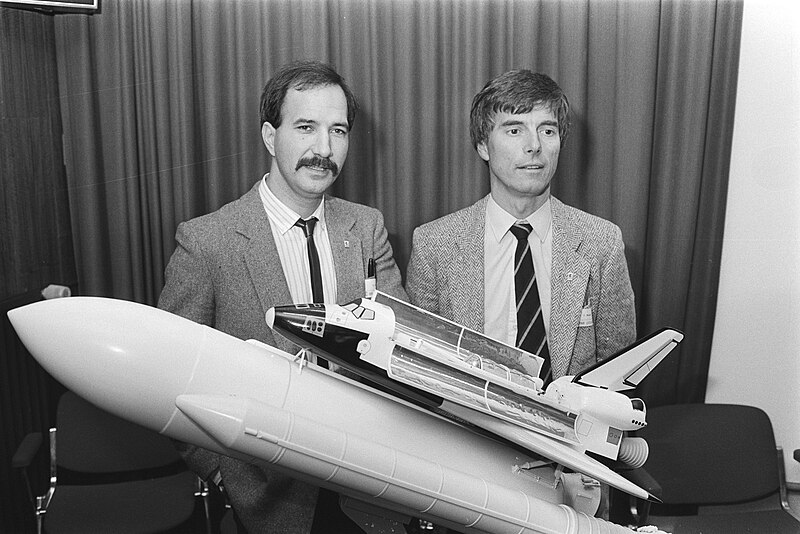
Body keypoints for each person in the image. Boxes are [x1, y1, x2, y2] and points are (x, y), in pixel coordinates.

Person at [158, 60, 407, 533]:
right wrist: (222, 471)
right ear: (270, 137)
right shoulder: (208, 242)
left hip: (370, 489)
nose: (323, 149)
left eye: (338, 131)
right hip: (272, 500)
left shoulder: (366, 226)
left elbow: (399, 346)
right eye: (306, 128)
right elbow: (169, 376)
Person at [406, 69, 636, 384]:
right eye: (514, 130)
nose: (534, 146)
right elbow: (420, 370)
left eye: (548, 131)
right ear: (483, 146)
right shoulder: (434, 245)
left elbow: (619, 372)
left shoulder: (601, 242)